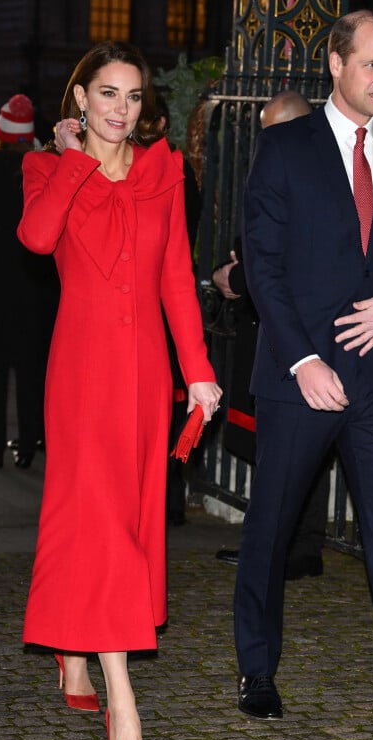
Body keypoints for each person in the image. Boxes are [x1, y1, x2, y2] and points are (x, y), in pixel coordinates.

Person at [16, 41, 222, 740]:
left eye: (133, 97)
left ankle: (72, 653)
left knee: (117, 520)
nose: (120, 110)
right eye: (107, 94)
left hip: (144, 378)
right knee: (98, 519)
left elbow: (175, 279)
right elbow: (37, 238)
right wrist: (74, 160)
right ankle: (122, 697)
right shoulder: (46, 169)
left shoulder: (163, 171)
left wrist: (197, 374)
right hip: (80, 375)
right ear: (80, 99)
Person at [234, 11, 373, 740]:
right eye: (372, 64)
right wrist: (303, 361)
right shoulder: (283, 149)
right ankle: (257, 666)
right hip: (299, 380)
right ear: (336, 64)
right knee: (272, 530)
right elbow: (262, 265)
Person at [213, 91, 329, 580]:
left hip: (304, 337)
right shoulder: (289, 164)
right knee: (288, 451)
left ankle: (287, 551)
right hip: (278, 330)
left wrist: (233, 279)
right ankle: (288, 549)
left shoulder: (318, 174)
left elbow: (285, 262)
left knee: (299, 452)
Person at [0, 94, 60, 470]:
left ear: (0, 131)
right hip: (34, 287)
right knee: (31, 370)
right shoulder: (40, 170)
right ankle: (27, 447)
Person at [153, 91, 203, 526]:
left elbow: (181, 245)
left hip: (167, 300)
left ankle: (170, 496)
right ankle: (167, 497)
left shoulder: (177, 170)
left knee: (174, 405)